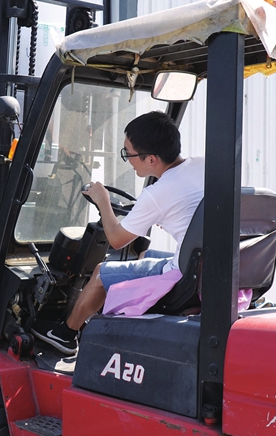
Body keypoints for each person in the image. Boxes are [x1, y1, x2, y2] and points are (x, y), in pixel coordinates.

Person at [30, 110, 205, 355]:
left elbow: (116, 241)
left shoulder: (157, 193)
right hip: (203, 266)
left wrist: (103, 201)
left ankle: (66, 335)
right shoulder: (201, 165)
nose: (128, 159)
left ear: (152, 159)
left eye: (129, 154)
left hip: (183, 273)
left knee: (103, 272)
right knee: (145, 255)